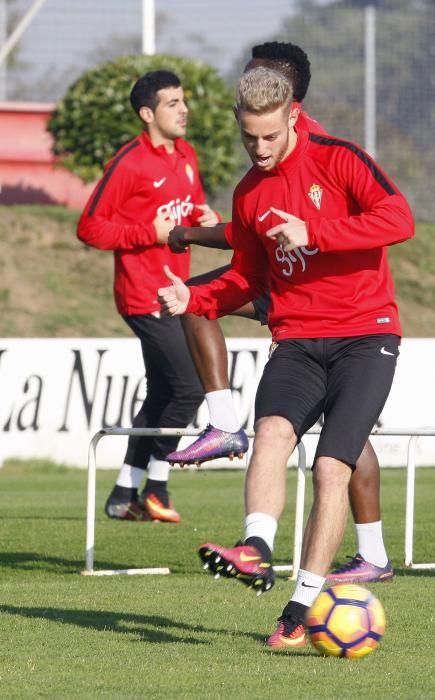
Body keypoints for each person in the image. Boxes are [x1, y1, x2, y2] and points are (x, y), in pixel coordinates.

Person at [157, 66, 414, 648]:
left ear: (293, 116)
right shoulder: (249, 192)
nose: (261, 148)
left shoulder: (340, 158)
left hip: (365, 336)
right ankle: (255, 548)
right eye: (250, 138)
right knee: (270, 433)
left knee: (330, 468)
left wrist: (316, 232)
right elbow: (247, 278)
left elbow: (400, 220)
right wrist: (192, 297)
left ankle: (298, 610)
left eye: (270, 136)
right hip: (297, 339)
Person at [77, 70, 220, 523]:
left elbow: (190, 210)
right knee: (191, 386)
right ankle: (158, 483)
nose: (183, 110)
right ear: (147, 113)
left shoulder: (187, 155)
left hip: (176, 293)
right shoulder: (130, 162)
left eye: (183, 100)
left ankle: (123, 494)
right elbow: (90, 227)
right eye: (172, 103)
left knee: (162, 393)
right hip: (142, 295)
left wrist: (206, 221)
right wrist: (146, 233)